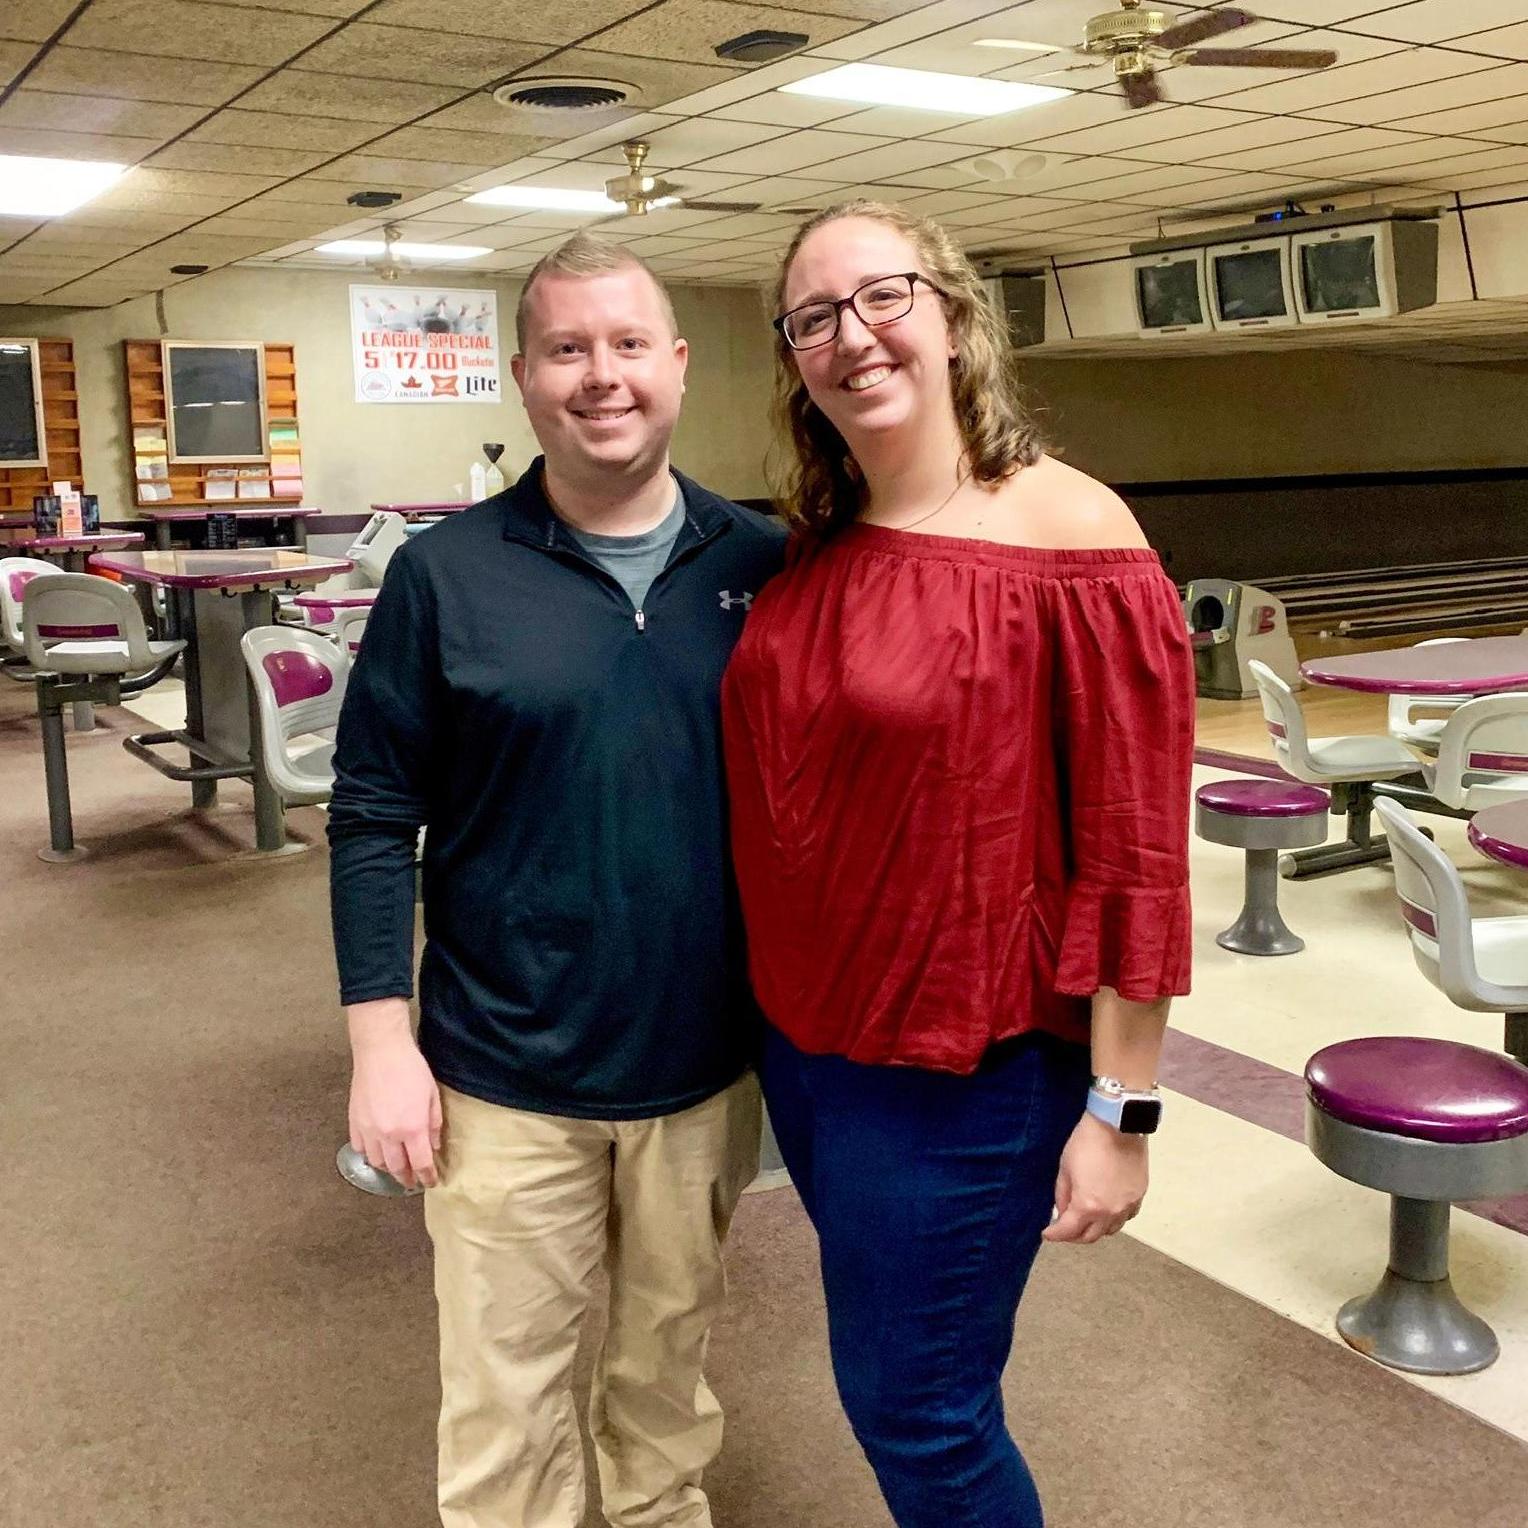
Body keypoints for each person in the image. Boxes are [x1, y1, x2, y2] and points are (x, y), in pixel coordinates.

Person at [721, 202, 1195, 1527]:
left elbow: (1135, 854)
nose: (852, 336)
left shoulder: (1071, 534)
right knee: (903, 1382)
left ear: (953, 316)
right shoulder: (830, 532)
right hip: (814, 1050)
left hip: (967, 1068)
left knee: (920, 1411)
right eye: (813, 318)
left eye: (884, 297)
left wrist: (1124, 1110)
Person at [328, 232, 785, 1528]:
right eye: (569, 349)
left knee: (665, 1379)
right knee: (505, 1407)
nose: (603, 375)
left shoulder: (761, 566)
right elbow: (371, 818)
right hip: (503, 1073)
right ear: (524, 376)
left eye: (629, 344)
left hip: (702, 1068)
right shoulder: (443, 577)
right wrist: (379, 1046)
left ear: (678, 365)